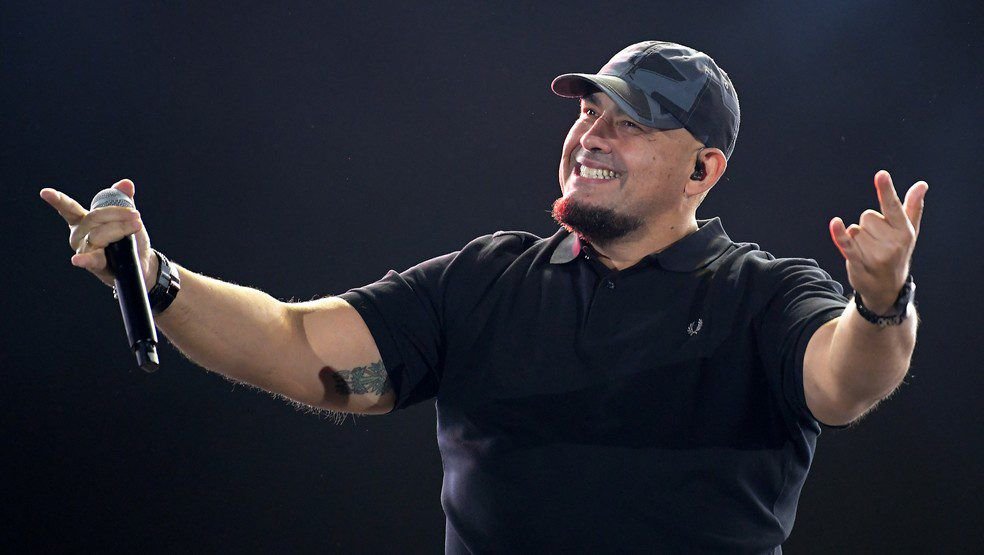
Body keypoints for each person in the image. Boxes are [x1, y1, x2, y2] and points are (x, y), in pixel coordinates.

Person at [42, 41, 926, 553]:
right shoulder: (489, 281)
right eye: (588, 112)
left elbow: (842, 381)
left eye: (629, 122)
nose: (592, 134)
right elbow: (300, 344)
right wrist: (157, 279)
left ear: (703, 169)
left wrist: (882, 301)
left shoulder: (761, 294)